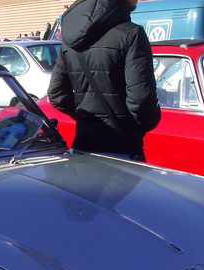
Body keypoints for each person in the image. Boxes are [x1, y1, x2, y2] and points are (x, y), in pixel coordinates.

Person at [48, 0, 161, 161]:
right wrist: (143, 125)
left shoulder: (70, 38)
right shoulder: (132, 34)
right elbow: (141, 99)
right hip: (122, 147)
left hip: (82, 145)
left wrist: (89, 120)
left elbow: (57, 94)